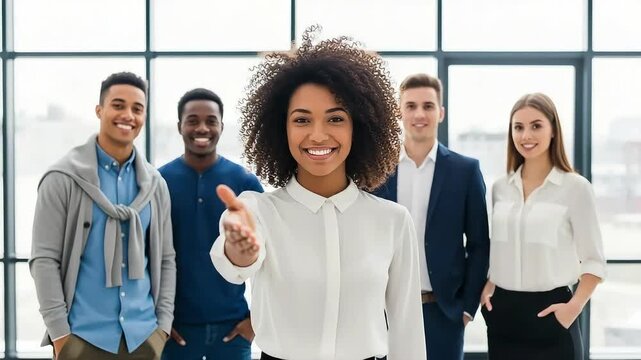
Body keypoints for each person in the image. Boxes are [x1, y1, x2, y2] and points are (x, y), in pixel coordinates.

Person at [209, 27, 426, 360]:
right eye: (302, 120)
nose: (318, 134)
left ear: (360, 127)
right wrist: (241, 250)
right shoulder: (257, 211)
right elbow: (233, 265)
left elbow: (406, 328)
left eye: (336, 118)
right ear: (281, 129)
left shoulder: (393, 221)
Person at [29, 72, 176, 360]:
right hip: (82, 339)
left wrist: (163, 328)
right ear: (100, 110)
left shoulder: (155, 185)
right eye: (118, 105)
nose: (128, 115)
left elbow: (165, 259)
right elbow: (44, 260)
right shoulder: (63, 179)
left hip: (143, 338)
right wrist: (61, 336)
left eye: (137, 108)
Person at [372, 73, 490, 359]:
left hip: (443, 313)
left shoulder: (465, 171)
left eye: (428, 105)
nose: (419, 114)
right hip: (384, 311)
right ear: (399, 112)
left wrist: (465, 309)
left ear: (441, 112)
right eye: (410, 106)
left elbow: (479, 244)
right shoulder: (377, 171)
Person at [480, 93, 606, 359]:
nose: (526, 135)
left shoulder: (576, 188)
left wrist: (572, 309)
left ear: (552, 131)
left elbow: (594, 261)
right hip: (503, 315)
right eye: (519, 127)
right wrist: (489, 285)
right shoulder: (500, 188)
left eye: (536, 125)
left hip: (552, 315)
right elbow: (499, 247)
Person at [160, 88, 263, 360]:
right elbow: (144, 255)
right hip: (175, 331)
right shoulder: (159, 182)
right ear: (180, 126)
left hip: (233, 330)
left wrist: (255, 320)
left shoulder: (245, 183)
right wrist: (156, 321)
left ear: (221, 126)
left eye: (211, 120)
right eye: (192, 120)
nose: (202, 127)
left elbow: (270, 256)